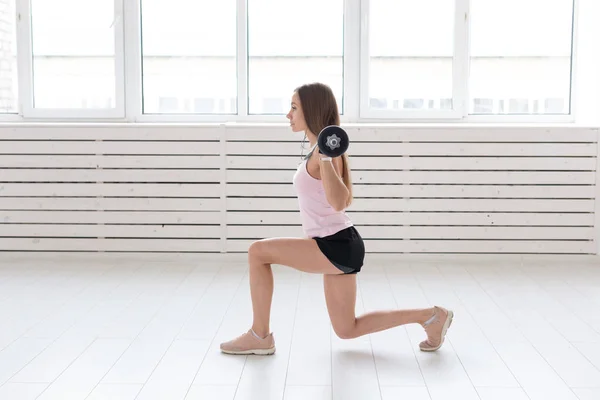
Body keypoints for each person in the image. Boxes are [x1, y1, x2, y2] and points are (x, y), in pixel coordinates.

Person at [219, 82, 454, 355]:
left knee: (257, 252)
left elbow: (340, 202)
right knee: (347, 329)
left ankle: (259, 335)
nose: (288, 114)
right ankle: (431, 316)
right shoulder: (318, 150)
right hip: (339, 243)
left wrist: (327, 160)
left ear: (312, 110)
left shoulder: (327, 154)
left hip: (336, 244)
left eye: (294, 107)